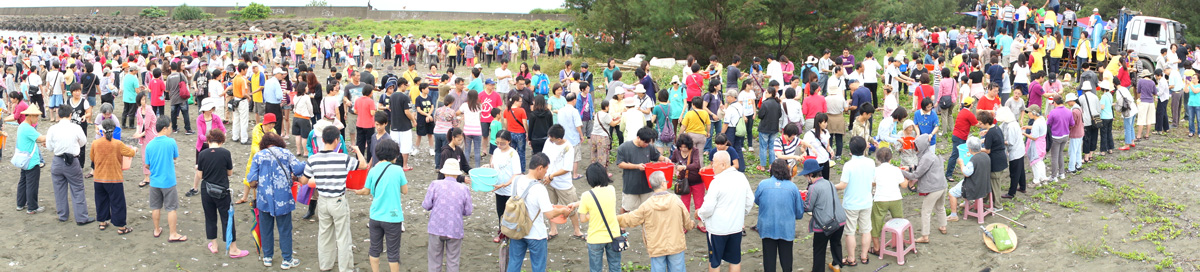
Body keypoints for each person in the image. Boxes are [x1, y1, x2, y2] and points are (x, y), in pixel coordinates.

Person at [302, 126, 369, 272]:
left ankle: (325, 265)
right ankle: (346, 268)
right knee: (343, 236)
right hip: (338, 200)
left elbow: (304, 180)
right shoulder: (342, 158)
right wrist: (357, 150)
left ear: (323, 139)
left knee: (324, 234)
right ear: (337, 140)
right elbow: (363, 165)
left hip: (323, 200)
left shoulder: (313, 159)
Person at [506, 153, 574, 272]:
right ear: (540, 168)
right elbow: (550, 214)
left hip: (517, 229)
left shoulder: (516, 180)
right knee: (538, 267)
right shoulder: (539, 188)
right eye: (546, 170)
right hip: (535, 233)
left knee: (514, 263)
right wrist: (563, 210)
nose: (546, 174)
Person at [247, 133, 306, 269]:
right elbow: (298, 169)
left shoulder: (259, 156)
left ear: (264, 143)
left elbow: (251, 179)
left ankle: (267, 257)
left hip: (264, 199)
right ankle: (287, 259)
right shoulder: (286, 153)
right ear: (279, 141)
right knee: (285, 229)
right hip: (283, 198)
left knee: (266, 228)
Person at [352, 139, 409, 272]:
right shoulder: (398, 170)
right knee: (393, 252)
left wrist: (356, 191)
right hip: (393, 217)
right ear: (394, 154)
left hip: (376, 216)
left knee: (374, 248)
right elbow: (405, 191)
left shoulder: (373, 170)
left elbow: (366, 191)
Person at [697, 151, 755, 272]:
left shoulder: (716, 182)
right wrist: (741, 213)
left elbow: (708, 208)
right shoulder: (741, 177)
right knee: (735, 260)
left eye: (714, 163)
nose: (712, 166)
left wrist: (699, 213)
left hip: (718, 229)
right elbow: (750, 200)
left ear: (723, 165)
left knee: (715, 261)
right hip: (736, 226)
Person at [195, 129, 249, 258]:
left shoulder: (202, 154)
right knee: (227, 218)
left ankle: (214, 245)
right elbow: (230, 173)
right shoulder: (225, 153)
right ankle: (233, 248)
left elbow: (200, 175)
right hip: (222, 190)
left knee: (210, 217)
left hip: (206, 190)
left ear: (208, 141)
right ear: (221, 141)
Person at [420, 155, 469, 272]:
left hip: (436, 226)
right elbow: (468, 211)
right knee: (453, 260)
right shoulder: (463, 189)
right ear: (457, 174)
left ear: (444, 173)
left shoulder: (435, 184)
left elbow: (426, 205)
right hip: (455, 228)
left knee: (434, 261)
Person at [755, 159, 805, 272]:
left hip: (767, 226)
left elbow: (757, 200)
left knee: (769, 260)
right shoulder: (792, 187)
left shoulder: (763, 184)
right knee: (786, 260)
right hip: (786, 228)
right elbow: (799, 211)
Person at [47, 106, 93, 225]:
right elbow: (83, 142)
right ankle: (81, 217)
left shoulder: (52, 129)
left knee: (59, 190)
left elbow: (49, 147)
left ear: (58, 115)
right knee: (77, 188)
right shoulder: (76, 127)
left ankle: (62, 215)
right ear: (70, 115)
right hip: (72, 161)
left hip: (57, 161)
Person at [89, 118, 136, 234]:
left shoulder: (95, 143)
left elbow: (92, 158)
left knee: (101, 200)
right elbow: (131, 153)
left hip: (99, 178)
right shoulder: (118, 144)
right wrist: (134, 149)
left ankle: (102, 222)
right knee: (118, 202)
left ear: (102, 131)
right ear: (114, 130)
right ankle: (121, 227)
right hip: (114, 178)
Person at [800, 158, 847, 272]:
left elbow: (808, 207)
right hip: (840, 220)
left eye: (806, 175)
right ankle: (836, 265)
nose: (806, 178)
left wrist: (800, 199)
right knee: (836, 244)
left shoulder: (813, 187)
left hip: (825, 224)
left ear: (811, 175)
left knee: (819, 250)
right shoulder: (829, 183)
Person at [900, 134, 948, 243]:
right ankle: (943, 226)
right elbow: (922, 168)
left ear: (920, 146)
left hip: (934, 188)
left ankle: (925, 236)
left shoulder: (926, 157)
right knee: (940, 207)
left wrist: (901, 171)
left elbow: (915, 175)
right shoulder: (930, 154)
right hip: (942, 185)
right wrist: (910, 167)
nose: (914, 149)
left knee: (926, 211)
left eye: (916, 146)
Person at [144, 118, 186, 242]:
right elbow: (175, 157)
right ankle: (173, 233)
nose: (171, 130)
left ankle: (156, 229)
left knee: (155, 207)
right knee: (171, 208)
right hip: (168, 181)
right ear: (164, 128)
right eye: (170, 127)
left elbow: (147, 165)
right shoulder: (171, 142)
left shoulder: (150, 144)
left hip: (154, 181)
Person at [577, 163, 623, 272]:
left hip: (595, 237)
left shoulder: (586, 196)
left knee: (596, 269)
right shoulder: (611, 190)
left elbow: (583, 219)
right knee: (615, 266)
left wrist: (591, 213)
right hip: (613, 235)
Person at [836, 136, 873, 266]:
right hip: (867, 201)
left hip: (851, 203)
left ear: (850, 150)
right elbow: (873, 181)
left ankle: (851, 258)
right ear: (864, 148)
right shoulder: (870, 162)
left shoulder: (848, 165)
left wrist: (831, 186)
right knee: (866, 229)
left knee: (850, 231)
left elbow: (843, 185)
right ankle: (864, 256)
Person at [541, 125, 583, 239]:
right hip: (548, 180)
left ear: (559, 139)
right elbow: (544, 156)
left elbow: (567, 168)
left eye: (552, 138)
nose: (550, 140)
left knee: (571, 207)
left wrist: (552, 175)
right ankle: (553, 230)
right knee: (550, 206)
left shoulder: (568, 147)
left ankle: (577, 230)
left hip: (563, 183)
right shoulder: (549, 142)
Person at [617, 127, 666, 212]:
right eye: (645, 142)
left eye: (648, 142)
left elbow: (656, 156)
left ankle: (646, 225)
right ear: (638, 137)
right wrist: (636, 166)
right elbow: (620, 164)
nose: (647, 144)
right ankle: (622, 225)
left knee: (648, 209)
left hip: (646, 185)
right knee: (626, 208)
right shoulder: (624, 147)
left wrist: (664, 159)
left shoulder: (649, 147)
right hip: (631, 185)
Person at [869, 148, 908, 254]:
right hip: (895, 197)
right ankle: (901, 243)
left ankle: (876, 248)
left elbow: (872, 183)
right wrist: (907, 177)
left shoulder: (875, 170)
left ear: (877, 158)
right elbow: (903, 185)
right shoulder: (896, 170)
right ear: (890, 158)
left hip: (880, 199)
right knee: (899, 220)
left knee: (876, 223)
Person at [236, 113, 279, 204]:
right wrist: (261, 153)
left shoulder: (273, 131)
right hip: (256, 156)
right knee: (249, 175)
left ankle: (257, 199)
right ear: (265, 123)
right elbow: (255, 145)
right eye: (270, 124)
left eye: (273, 124)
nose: (272, 126)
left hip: (268, 158)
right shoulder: (257, 129)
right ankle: (245, 197)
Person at [188, 99, 227, 197]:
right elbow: (200, 135)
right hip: (202, 145)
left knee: (214, 166)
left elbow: (223, 129)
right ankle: (195, 187)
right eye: (209, 108)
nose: (211, 110)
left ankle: (213, 186)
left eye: (212, 108)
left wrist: (221, 138)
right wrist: (212, 139)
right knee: (198, 167)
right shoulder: (199, 119)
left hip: (213, 145)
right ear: (204, 109)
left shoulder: (216, 118)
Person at [13, 105, 46, 214]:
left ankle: (20, 203)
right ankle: (32, 207)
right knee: (32, 184)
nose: (37, 119)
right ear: (30, 116)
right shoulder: (28, 128)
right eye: (36, 117)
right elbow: (41, 138)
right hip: (31, 160)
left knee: (23, 182)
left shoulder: (22, 126)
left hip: (23, 159)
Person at [946, 97, 978, 179]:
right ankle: (948, 174)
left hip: (956, 135)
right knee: (955, 154)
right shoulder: (969, 114)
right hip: (960, 137)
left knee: (958, 154)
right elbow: (976, 124)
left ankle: (952, 169)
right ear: (971, 105)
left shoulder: (962, 111)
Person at [133, 92, 158, 187]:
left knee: (152, 156)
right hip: (143, 136)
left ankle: (154, 176)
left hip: (151, 135)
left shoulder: (149, 110)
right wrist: (137, 132)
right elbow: (139, 123)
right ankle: (146, 177)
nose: (144, 101)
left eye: (144, 99)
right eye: (142, 99)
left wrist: (139, 134)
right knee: (144, 157)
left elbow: (147, 127)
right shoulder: (139, 110)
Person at [1046, 96, 1072, 181]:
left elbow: (1048, 124)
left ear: (1055, 103)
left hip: (1056, 136)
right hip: (1065, 135)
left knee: (1054, 156)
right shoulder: (1068, 111)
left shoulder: (1053, 112)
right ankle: (1062, 173)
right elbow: (1072, 123)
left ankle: (1054, 176)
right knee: (1060, 154)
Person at [757, 87, 783, 171]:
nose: (765, 94)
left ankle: (763, 166)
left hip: (764, 128)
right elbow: (780, 115)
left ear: (770, 93)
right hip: (774, 128)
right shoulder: (777, 103)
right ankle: (771, 165)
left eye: (767, 92)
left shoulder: (765, 103)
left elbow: (760, 115)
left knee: (763, 147)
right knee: (772, 147)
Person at [1022, 105, 1050, 185]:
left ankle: (1036, 180)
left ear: (1034, 112)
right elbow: (1037, 128)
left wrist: (1024, 134)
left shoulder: (1037, 123)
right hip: (1042, 144)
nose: (1028, 114)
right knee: (1040, 161)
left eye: (1029, 112)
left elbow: (1034, 137)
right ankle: (1043, 177)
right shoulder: (1041, 119)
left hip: (1036, 145)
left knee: (1035, 162)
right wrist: (1028, 127)